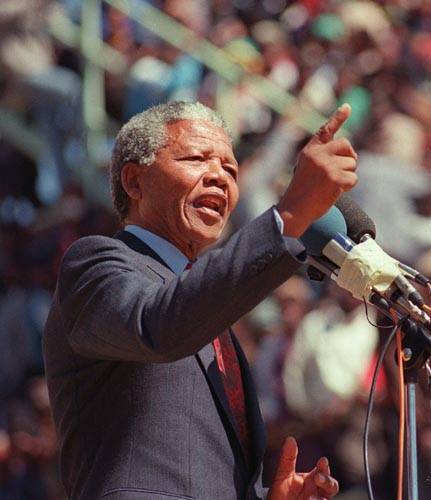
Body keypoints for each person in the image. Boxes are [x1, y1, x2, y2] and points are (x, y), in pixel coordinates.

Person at [42, 100, 358, 499]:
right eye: (196, 159)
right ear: (134, 182)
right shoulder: (94, 266)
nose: (219, 177)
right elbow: (159, 326)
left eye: (231, 169)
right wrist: (290, 216)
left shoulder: (212, 314)